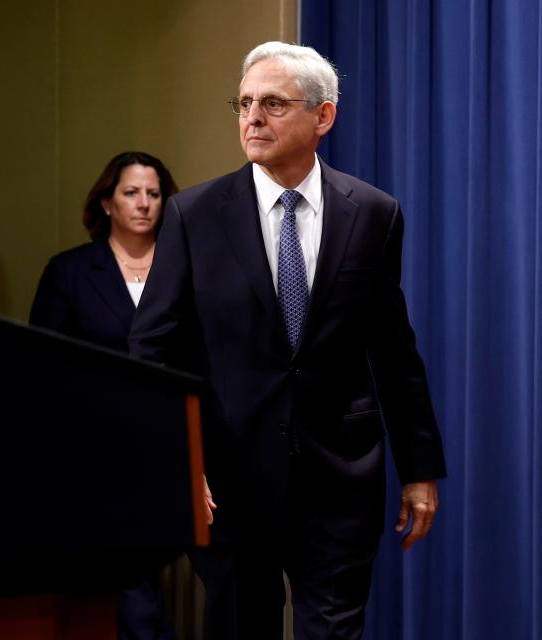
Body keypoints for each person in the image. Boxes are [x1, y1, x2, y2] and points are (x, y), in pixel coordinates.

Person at [128, 42, 447, 639]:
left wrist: (419, 468)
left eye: (273, 104)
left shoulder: (374, 213)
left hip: (339, 479)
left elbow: (394, 351)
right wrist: (180, 460)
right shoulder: (192, 214)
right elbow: (152, 349)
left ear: (323, 116)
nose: (252, 117)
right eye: (244, 103)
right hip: (229, 484)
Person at [30, 151, 179, 640]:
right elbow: (42, 367)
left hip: (175, 446)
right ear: (107, 203)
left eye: (153, 194)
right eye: (131, 193)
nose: (143, 205)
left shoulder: (188, 269)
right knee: (126, 596)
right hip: (95, 450)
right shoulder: (70, 271)